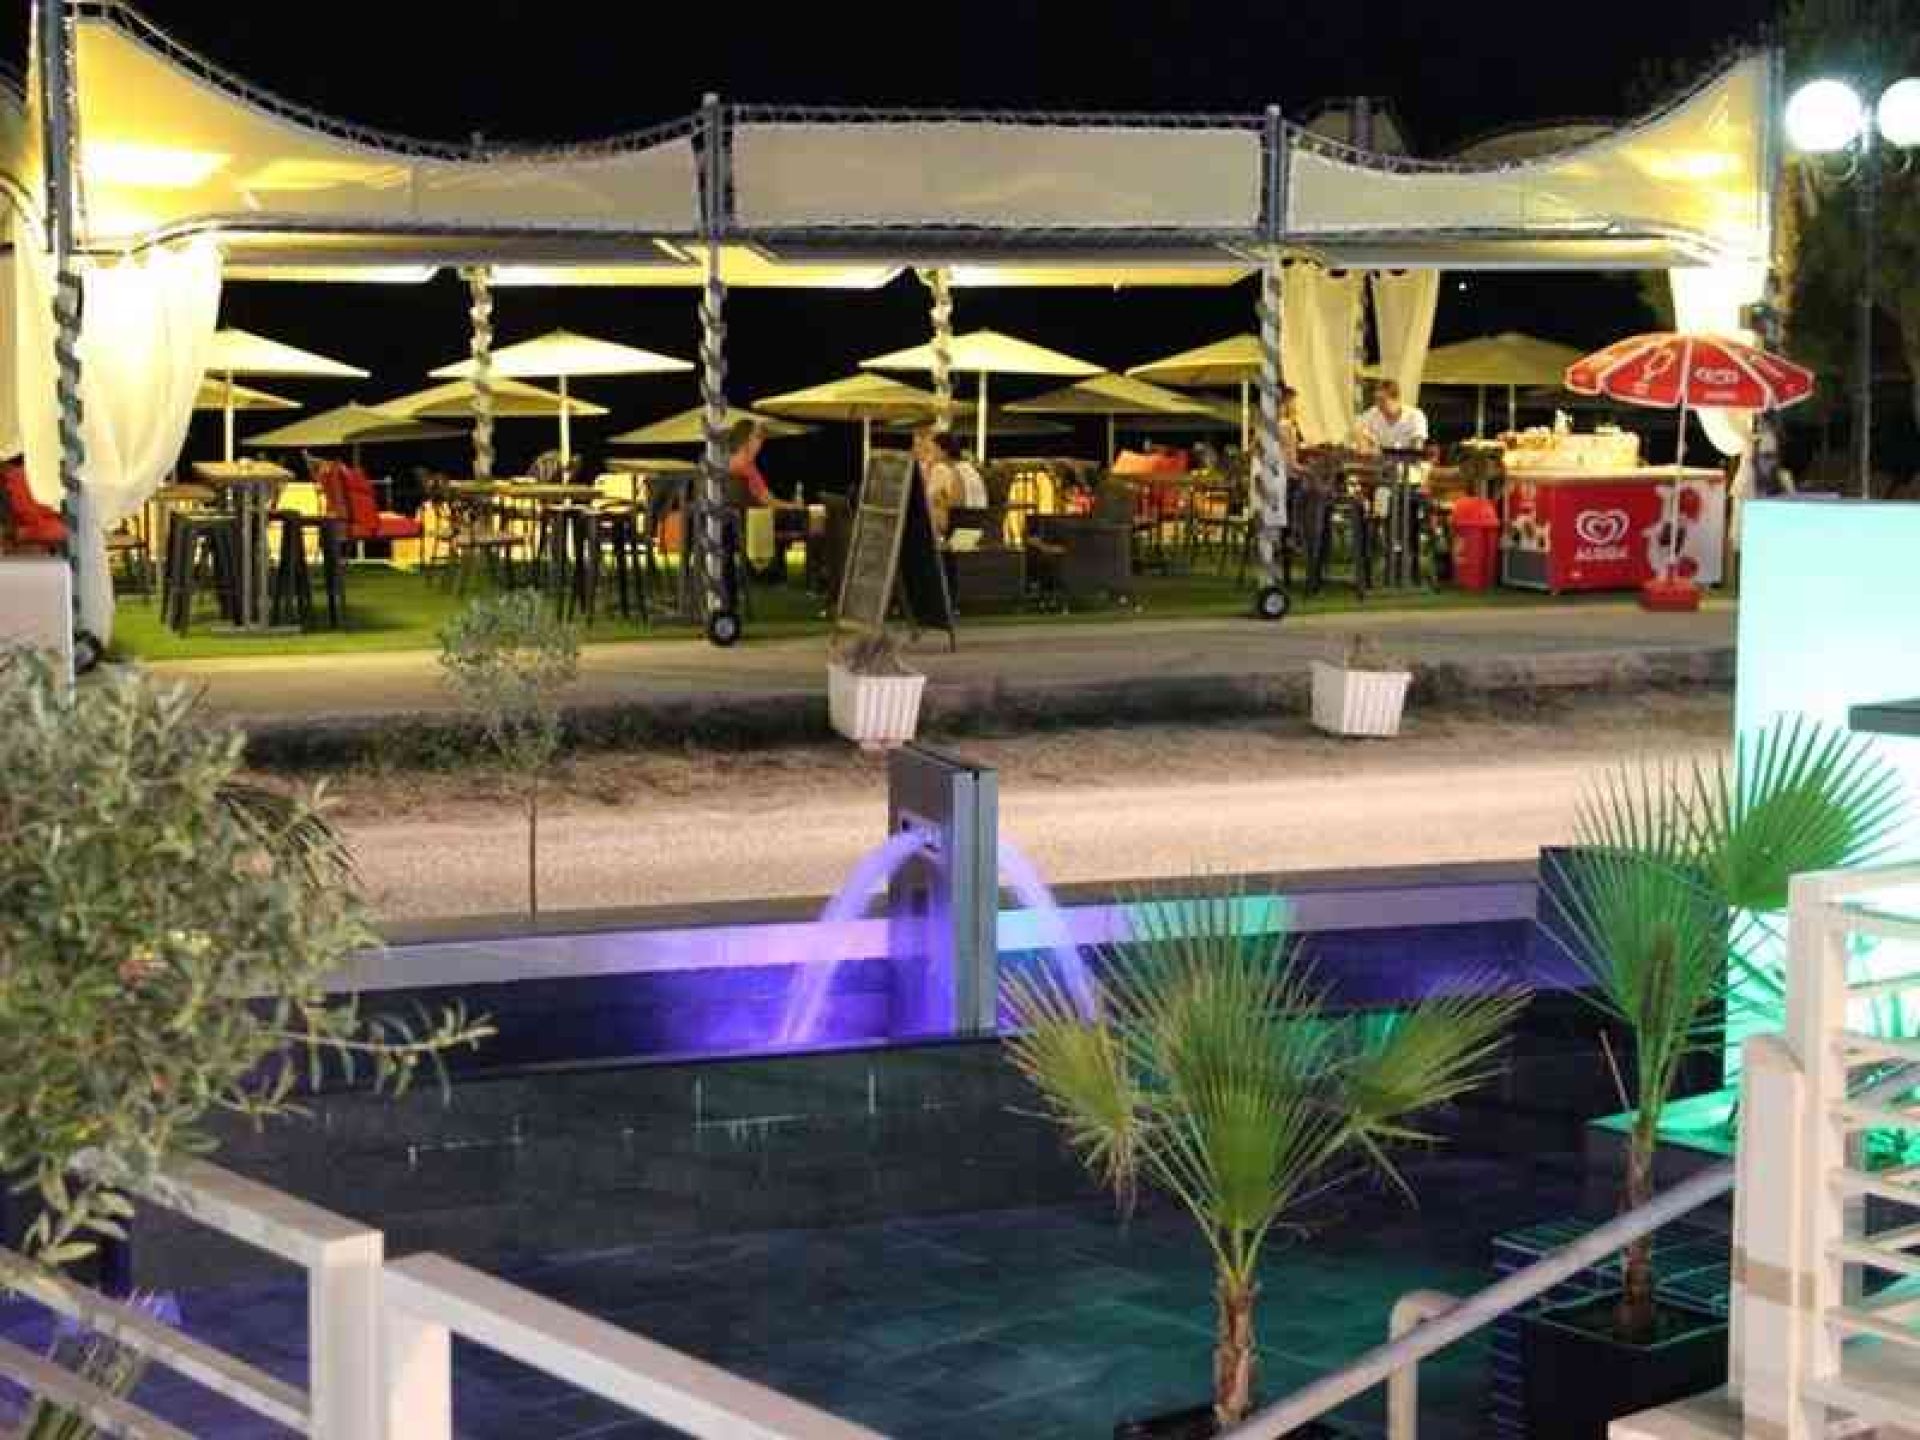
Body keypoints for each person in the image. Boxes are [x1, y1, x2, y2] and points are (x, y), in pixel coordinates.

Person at [726, 419, 800, 513]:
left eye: (762, 438)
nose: (761, 442)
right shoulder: (742, 466)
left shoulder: (748, 466)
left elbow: (767, 498)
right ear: (747, 439)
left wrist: (790, 506)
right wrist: (793, 507)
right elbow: (767, 501)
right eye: (758, 437)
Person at [1352, 378, 1429, 455]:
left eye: (1382, 400)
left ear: (1396, 399)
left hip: (1405, 458)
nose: (1378, 405)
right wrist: (1363, 443)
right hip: (1380, 459)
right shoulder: (1373, 413)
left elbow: (1417, 447)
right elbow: (1358, 428)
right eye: (1376, 400)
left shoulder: (1415, 416)